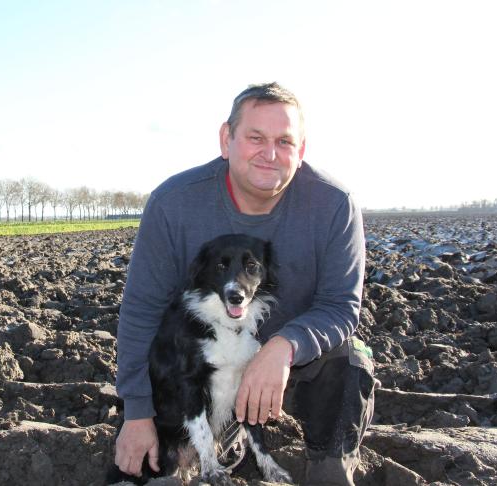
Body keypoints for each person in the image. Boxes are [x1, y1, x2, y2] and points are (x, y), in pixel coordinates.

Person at [114, 82, 375, 485]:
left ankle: (328, 469)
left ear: (301, 150)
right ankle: (217, 435)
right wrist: (136, 413)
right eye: (255, 138)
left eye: (285, 141)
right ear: (226, 139)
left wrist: (284, 346)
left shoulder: (334, 205)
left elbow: (341, 306)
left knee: (349, 359)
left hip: (290, 368)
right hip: (202, 371)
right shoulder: (174, 203)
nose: (270, 154)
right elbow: (141, 311)